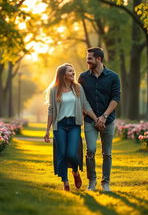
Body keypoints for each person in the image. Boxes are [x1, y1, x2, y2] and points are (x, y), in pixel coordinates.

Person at [44, 63, 98, 191]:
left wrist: (96, 119)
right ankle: (65, 182)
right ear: (63, 75)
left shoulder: (78, 88)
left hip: (74, 125)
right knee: (61, 154)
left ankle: (75, 172)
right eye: (70, 71)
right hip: (60, 126)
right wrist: (47, 130)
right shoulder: (54, 90)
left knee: (72, 154)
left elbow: (85, 105)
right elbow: (51, 110)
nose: (73, 73)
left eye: (73, 71)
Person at [78, 47, 121, 192]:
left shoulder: (113, 77)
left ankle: (105, 183)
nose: (87, 60)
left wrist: (104, 117)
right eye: (87, 58)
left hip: (108, 120)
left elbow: (116, 98)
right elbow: (81, 100)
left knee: (107, 153)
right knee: (90, 150)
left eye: (90, 58)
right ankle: (92, 182)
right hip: (90, 120)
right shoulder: (83, 77)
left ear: (99, 59)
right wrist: (96, 118)